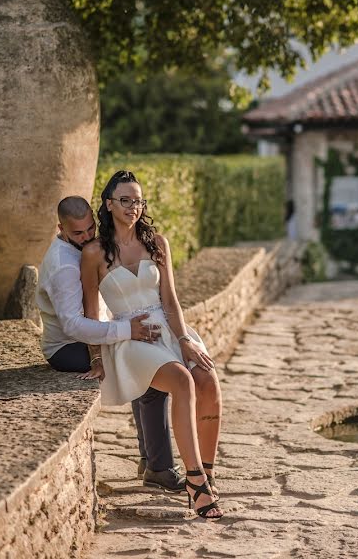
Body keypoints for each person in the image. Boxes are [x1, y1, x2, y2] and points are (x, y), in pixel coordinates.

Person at [80, 170, 223, 519]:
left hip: (169, 328)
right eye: (125, 200)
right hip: (130, 338)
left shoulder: (157, 243)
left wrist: (186, 339)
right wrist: (96, 357)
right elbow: (89, 314)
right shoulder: (94, 253)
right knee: (181, 381)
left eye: (138, 201)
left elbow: (171, 301)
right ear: (109, 203)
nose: (133, 207)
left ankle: (207, 471)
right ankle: (194, 483)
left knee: (207, 380)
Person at [36, 196, 184, 492]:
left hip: (96, 334)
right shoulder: (64, 267)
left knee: (148, 360)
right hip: (68, 348)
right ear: (60, 228)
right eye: (78, 233)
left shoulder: (91, 247)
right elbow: (74, 326)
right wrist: (125, 332)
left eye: (90, 228)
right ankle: (158, 466)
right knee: (151, 370)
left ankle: (152, 460)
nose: (88, 236)